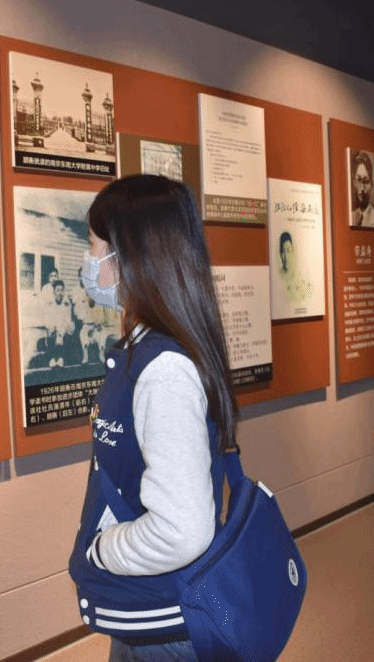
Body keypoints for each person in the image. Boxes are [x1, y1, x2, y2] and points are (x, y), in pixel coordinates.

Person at [68, 174, 237, 662]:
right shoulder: (147, 352)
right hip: (149, 613)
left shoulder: (163, 370)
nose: (88, 260)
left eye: (93, 245)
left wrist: (102, 549)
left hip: (166, 626)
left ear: (128, 256)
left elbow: (182, 531)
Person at [277, 230, 311, 303]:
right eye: (283, 251)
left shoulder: (302, 279)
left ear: (293, 251)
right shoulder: (278, 278)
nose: (285, 256)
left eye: (288, 250)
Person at [350, 150, 374, 228]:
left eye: (366, 181)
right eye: (359, 180)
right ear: (354, 182)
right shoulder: (351, 216)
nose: (362, 188)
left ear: (371, 184)